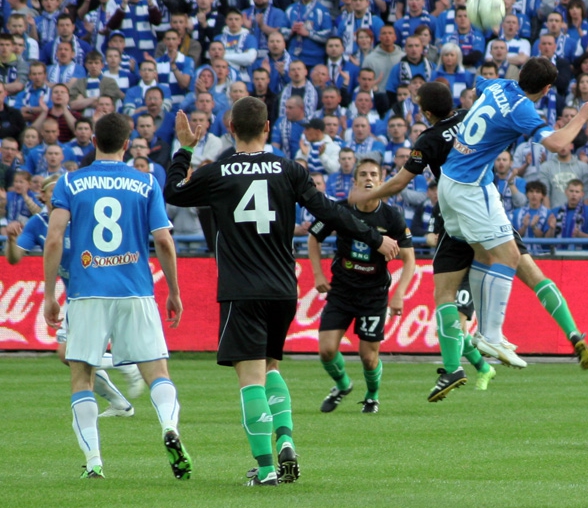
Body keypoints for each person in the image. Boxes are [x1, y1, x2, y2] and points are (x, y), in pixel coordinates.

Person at [163, 99, 399, 486]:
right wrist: (374, 237)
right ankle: (286, 439)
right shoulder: (289, 170)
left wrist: (186, 147)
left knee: (250, 377)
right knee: (271, 366)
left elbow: (173, 191)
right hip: (282, 289)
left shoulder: (217, 172)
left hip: (242, 290)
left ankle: (267, 468)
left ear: (232, 127)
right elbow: (330, 212)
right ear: (268, 127)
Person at [348, 82, 588, 403]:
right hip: (485, 209)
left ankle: (454, 367)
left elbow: (400, 182)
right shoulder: (469, 116)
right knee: (532, 275)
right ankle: (573, 333)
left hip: (454, 216)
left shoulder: (429, 139)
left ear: (425, 113)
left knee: (444, 295)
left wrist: (367, 195)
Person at [42, 113, 191, 480]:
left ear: (93, 141)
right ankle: (169, 427)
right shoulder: (146, 182)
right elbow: (164, 241)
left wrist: (49, 294)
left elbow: (55, 237)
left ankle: (94, 463)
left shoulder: (70, 182)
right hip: (135, 290)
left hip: (87, 291)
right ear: (127, 143)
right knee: (157, 372)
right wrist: (173, 290)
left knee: (82, 378)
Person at [435, 58, 588, 370]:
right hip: (472, 187)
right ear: (548, 89)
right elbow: (555, 143)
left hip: (449, 181)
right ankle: (491, 336)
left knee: (484, 253)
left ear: (520, 75)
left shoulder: (496, 84)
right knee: (509, 257)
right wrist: (582, 116)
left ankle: (487, 333)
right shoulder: (522, 107)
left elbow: (476, 86)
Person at [6, 175, 142, 417]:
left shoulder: (81, 217)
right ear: (43, 196)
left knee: (71, 353)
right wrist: (11, 240)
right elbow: (15, 257)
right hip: (75, 295)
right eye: (53, 191)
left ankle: (128, 364)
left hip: (95, 289)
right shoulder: (38, 223)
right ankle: (120, 402)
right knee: (71, 356)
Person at [309, 159, 416, 415]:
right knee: (326, 350)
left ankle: (372, 396)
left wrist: (399, 294)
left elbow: (409, 258)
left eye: (374, 175)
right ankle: (343, 385)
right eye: (363, 174)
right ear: (355, 182)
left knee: (368, 357)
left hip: (373, 294)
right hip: (342, 290)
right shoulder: (340, 209)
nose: (369, 178)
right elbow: (314, 237)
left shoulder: (391, 217)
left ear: (381, 182)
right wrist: (317, 274)